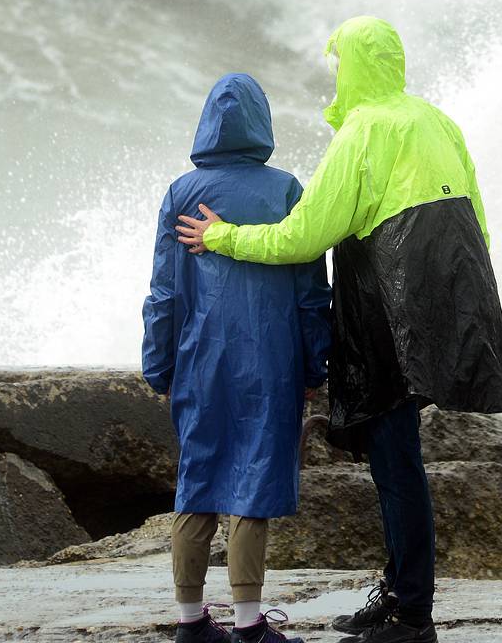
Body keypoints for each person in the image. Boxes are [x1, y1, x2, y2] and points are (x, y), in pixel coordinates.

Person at [176, 17, 502, 643]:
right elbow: (480, 226)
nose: (335, 77)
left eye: (338, 65)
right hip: (447, 303)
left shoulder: (364, 132)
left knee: (397, 461)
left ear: (353, 66)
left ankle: (413, 614)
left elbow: (303, 237)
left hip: (389, 309)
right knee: (398, 457)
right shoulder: (439, 122)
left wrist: (220, 236)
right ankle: (399, 591)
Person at [143, 73, 332, 643]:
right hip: (271, 362)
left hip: (199, 359)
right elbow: (309, 291)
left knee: (197, 477)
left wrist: (159, 364)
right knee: (254, 481)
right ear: (262, 123)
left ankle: (190, 621)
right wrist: (314, 364)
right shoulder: (285, 191)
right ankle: (249, 624)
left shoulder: (181, 192)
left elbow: (164, 291)